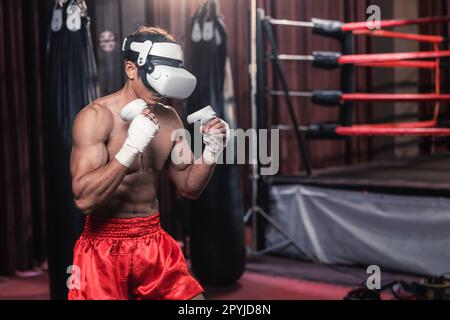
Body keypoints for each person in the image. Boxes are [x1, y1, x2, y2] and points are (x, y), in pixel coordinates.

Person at [68, 26, 229, 300]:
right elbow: (84, 200)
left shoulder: (169, 118)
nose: (162, 90)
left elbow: (189, 187)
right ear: (132, 69)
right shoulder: (96, 117)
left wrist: (212, 150)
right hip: (102, 247)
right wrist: (130, 148)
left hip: (152, 240)